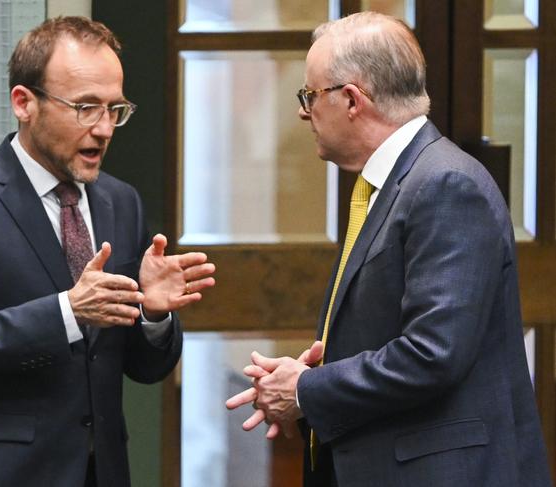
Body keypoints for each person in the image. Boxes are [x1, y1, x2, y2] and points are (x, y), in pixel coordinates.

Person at [226, 11, 551, 487]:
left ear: (352, 100)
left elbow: (432, 354)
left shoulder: (445, 184)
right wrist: (306, 377)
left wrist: (306, 389)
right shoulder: (394, 183)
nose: (303, 111)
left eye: (309, 95)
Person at [0, 16, 215, 487]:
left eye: (115, 109)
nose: (105, 129)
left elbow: (145, 368)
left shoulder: (122, 202)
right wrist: (66, 312)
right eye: (85, 107)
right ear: (24, 103)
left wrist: (153, 316)